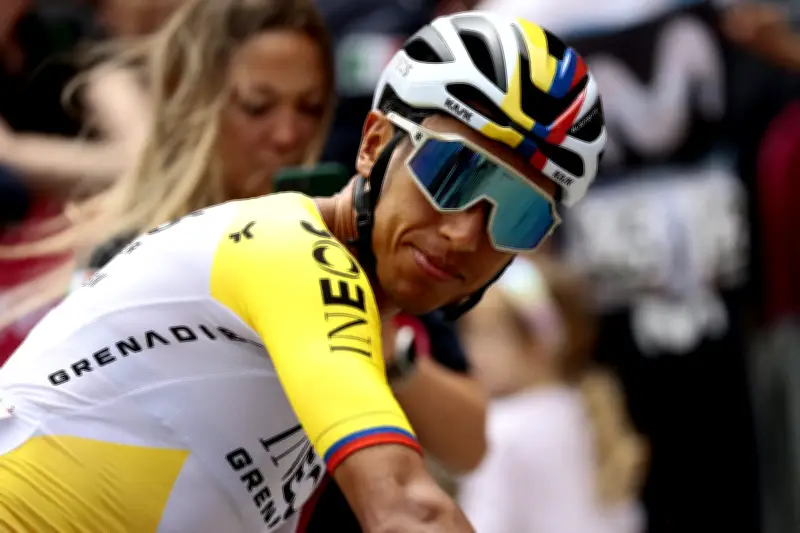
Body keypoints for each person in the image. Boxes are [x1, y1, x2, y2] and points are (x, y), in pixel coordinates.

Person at [0, 9, 605, 532]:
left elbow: (466, 449)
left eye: (520, 215)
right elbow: (406, 510)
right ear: (373, 144)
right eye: (452, 174)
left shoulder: (345, 317)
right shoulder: (291, 249)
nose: (464, 233)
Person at [458, 256, 647, 533]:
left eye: (489, 335)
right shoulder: (588, 407)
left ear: (539, 342)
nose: (473, 352)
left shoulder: (500, 429)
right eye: (470, 335)